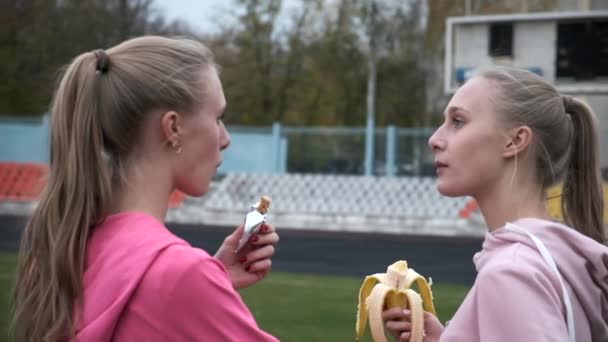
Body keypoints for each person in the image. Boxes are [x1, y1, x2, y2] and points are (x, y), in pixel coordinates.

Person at [11, 36, 280, 341]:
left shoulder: (59, 249)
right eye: (218, 118)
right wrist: (198, 286)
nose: (225, 138)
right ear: (173, 127)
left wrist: (211, 282)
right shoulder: (179, 275)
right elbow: (165, 294)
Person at [383, 67, 608, 341]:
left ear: (515, 141)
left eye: (458, 121)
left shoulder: (511, 273)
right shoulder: (560, 259)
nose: (435, 140)